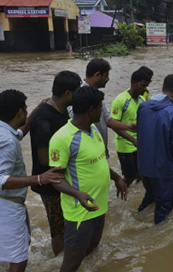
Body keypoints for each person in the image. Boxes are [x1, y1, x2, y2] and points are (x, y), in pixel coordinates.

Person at [49, 86, 127, 272]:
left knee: (92, 249)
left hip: (98, 206)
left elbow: (98, 161)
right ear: (91, 110)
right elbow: (54, 178)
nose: (102, 111)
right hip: (79, 212)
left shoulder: (93, 129)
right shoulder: (63, 138)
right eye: (100, 107)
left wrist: (117, 178)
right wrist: (77, 194)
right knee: (71, 262)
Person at [0, 89, 63, 272]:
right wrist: (38, 178)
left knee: (21, 243)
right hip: (7, 205)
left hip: (10, 202)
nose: (27, 111)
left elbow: (21, 132)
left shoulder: (5, 131)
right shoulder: (7, 141)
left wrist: (36, 109)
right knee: (19, 259)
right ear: (20, 112)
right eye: (26, 109)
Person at [30, 70, 82, 257]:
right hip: (50, 184)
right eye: (77, 92)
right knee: (58, 227)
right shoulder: (45, 118)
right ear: (68, 93)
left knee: (67, 223)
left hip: (63, 180)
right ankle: (60, 261)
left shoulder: (61, 113)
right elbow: (45, 159)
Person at [137, 74, 173, 224]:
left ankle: (138, 218)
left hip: (143, 166)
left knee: (150, 196)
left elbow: (140, 133)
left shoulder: (143, 106)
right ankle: (156, 236)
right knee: (164, 206)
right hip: (163, 169)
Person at [70, 58, 136, 158]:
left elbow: (107, 120)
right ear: (97, 75)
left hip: (100, 151)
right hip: (88, 154)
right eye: (106, 75)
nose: (108, 79)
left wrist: (128, 127)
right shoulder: (80, 95)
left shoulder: (96, 95)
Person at [111, 69, 150, 186]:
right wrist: (132, 140)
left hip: (139, 144)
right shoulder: (121, 100)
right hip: (125, 146)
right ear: (133, 82)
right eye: (143, 85)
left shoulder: (143, 100)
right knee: (129, 176)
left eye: (146, 86)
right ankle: (121, 194)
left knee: (141, 174)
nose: (145, 89)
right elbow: (113, 124)